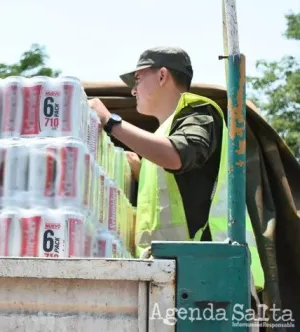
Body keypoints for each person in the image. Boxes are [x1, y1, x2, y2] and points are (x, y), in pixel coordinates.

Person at [88, 46, 264, 292]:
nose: (133, 90)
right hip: (173, 274)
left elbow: (177, 155)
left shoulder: (200, 112)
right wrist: (139, 171)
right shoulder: (159, 138)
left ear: (162, 76)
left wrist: (110, 121)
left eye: (138, 79)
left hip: (213, 272)